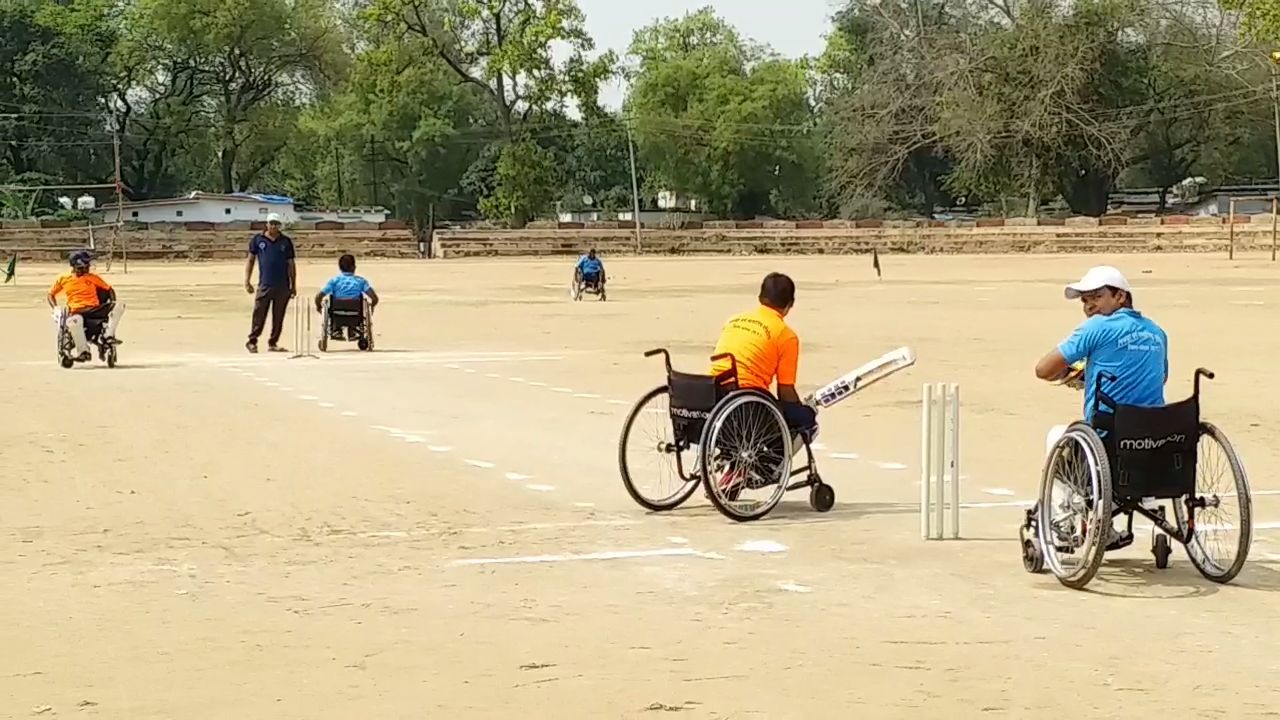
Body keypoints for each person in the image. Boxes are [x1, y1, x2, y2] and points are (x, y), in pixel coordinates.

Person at [1034, 264, 1169, 549]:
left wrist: (1074, 374)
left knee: (1057, 437)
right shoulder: (1157, 332)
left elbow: (1043, 369)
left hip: (1109, 442)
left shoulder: (1096, 328)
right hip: (1157, 440)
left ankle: (1065, 525)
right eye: (1085, 300)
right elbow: (1160, 376)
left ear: (1120, 296)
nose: (1088, 305)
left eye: (1096, 296)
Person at [709, 272, 818, 440]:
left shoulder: (733, 320)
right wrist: (802, 411)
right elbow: (785, 391)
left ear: (760, 297)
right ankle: (771, 464)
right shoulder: (786, 336)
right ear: (790, 305)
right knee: (806, 418)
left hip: (713, 394)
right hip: (748, 400)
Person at [47, 250, 124, 361]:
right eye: (84, 267)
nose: (87, 269)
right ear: (76, 266)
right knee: (73, 321)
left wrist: (112, 302)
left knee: (119, 306)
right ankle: (83, 351)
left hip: (95, 309)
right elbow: (50, 294)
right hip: (77, 311)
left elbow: (109, 290)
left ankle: (108, 336)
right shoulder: (64, 279)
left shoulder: (93, 278)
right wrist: (55, 308)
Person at [244, 212, 296, 353]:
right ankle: (252, 340)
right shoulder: (258, 240)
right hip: (265, 284)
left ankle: (273, 342)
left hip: (282, 285)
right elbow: (250, 260)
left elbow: (291, 263)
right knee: (259, 313)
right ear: (266, 224)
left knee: (278, 316)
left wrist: (293, 285)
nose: (273, 226)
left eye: (276, 224)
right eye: (271, 223)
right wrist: (247, 281)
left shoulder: (285, 241)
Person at [314, 253, 379, 339]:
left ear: (340, 268)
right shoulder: (361, 281)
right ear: (354, 267)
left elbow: (318, 296)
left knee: (332, 302)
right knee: (358, 304)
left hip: (336, 311)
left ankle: (336, 329)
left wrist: (318, 306)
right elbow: (374, 298)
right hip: (356, 312)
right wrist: (372, 306)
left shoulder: (334, 281)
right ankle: (353, 329)